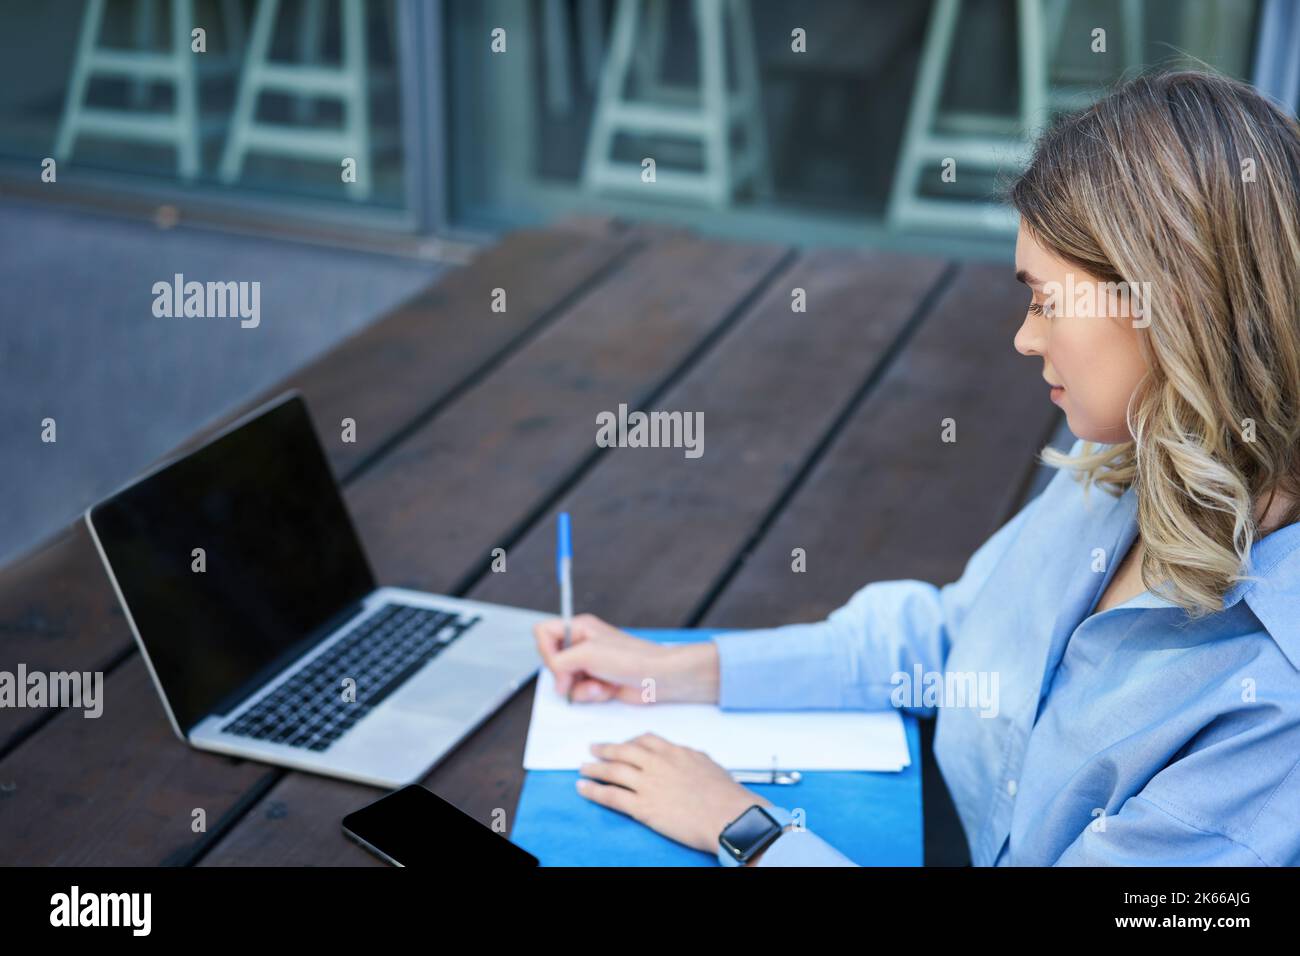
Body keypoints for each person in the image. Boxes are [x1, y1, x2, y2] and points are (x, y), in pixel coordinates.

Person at [533, 69, 1300, 866]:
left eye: (1045, 300)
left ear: (1170, 307)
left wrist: (746, 831)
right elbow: (954, 637)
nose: (1024, 339)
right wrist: (672, 671)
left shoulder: (1274, 709)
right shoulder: (1127, 456)